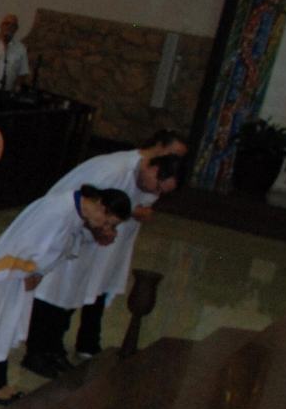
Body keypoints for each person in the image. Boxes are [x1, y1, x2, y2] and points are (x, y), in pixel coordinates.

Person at [25, 131, 185, 374]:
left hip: (89, 242)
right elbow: (81, 202)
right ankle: (36, 353)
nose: (156, 193)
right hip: (64, 234)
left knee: (70, 294)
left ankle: (52, 349)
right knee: (54, 291)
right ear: (154, 169)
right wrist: (98, 229)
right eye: (158, 187)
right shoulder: (113, 170)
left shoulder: (143, 177)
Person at [0, 184, 131, 404]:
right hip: (7, 275)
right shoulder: (57, 210)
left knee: (5, 330)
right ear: (101, 207)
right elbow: (22, 242)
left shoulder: (76, 212)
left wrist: (93, 237)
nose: (105, 227)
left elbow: (66, 242)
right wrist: (29, 271)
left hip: (21, 276)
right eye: (107, 222)